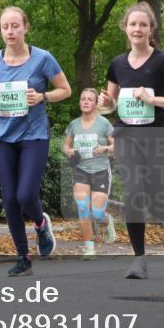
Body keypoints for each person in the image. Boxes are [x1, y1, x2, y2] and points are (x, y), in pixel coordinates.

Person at [98, 2, 164, 279]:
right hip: (126, 135)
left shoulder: (163, 61)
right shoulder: (117, 64)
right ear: (125, 29)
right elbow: (111, 104)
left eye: (143, 25)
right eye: (132, 24)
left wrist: (154, 100)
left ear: (151, 29)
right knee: (133, 194)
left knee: (153, 201)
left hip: (157, 137)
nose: (137, 29)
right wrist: (106, 102)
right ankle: (139, 259)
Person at [0, 7, 72, 276]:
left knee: (25, 194)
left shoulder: (42, 59)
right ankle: (23, 257)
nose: (10, 31)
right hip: (4, 136)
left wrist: (42, 97)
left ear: (25, 27)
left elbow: (65, 90)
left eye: (15, 26)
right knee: (9, 199)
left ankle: (41, 224)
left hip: (34, 135)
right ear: (0, 30)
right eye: (5, 26)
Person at [63, 88, 117, 257]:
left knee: (97, 212)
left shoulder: (104, 124)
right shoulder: (74, 125)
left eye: (90, 99)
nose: (86, 102)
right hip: (81, 170)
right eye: (83, 99)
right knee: (82, 208)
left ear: (95, 104)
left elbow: (117, 146)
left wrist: (105, 148)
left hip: (100, 170)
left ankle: (107, 221)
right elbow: (66, 145)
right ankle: (89, 247)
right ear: (80, 102)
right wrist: (69, 151)